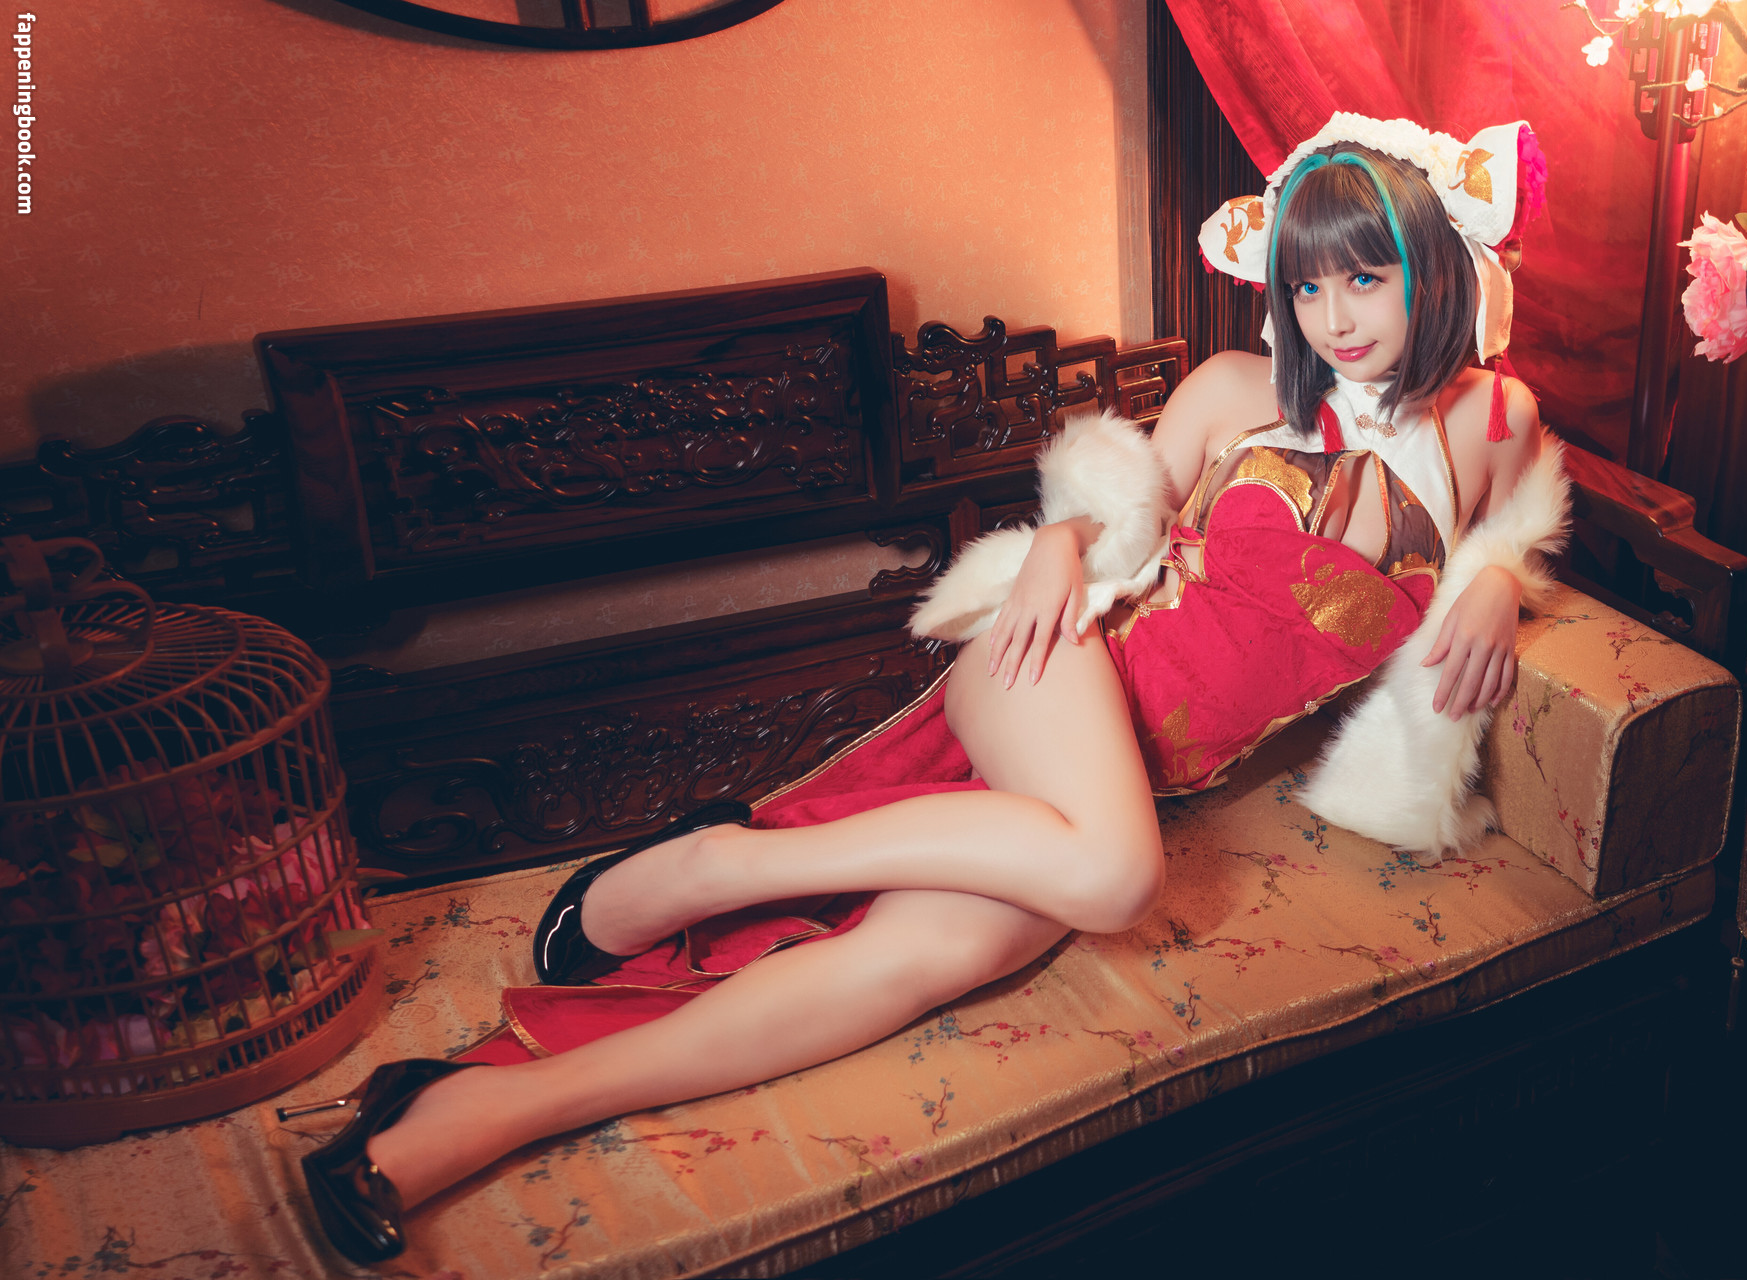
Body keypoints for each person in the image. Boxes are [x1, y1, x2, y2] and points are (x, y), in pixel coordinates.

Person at [279, 111, 1566, 1265]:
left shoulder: (1494, 422)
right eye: (1308, 283)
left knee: (931, 955)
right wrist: (1059, 541)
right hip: (1056, 668)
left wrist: (1499, 581)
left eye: (1366, 277)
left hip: (1115, 779)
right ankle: (716, 863)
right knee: (1118, 879)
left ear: (1435, 266)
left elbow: (1526, 526)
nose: (1335, 316)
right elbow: (1114, 506)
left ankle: (471, 1111)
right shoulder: (1240, 389)